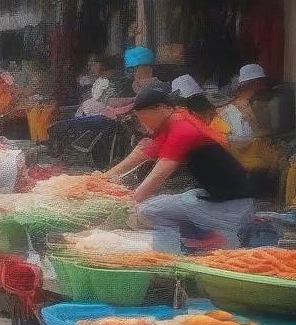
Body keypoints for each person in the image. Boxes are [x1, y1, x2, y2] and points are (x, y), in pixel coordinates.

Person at [105, 85, 255, 253]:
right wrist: (102, 178)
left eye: (143, 118)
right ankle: (199, 239)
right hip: (223, 196)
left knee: (149, 209)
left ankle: (172, 253)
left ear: (161, 108)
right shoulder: (178, 119)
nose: (142, 124)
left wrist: (128, 201)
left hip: (232, 205)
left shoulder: (182, 129)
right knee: (158, 203)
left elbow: (160, 173)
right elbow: (143, 150)